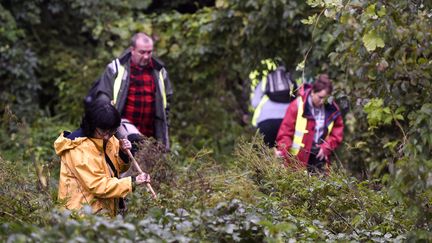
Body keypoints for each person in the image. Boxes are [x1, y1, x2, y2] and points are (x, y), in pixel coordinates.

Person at [54, 100, 151, 216]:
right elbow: (98, 185)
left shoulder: (107, 138)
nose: (107, 136)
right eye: (103, 131)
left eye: (112, 132)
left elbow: (116, 169)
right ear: (92, 125)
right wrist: (133, 182)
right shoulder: (78, 149)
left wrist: (123, 153)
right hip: (80, 217)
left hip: (102, 213)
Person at [87, 32, 173, 151]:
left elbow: (167, 99)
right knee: (128, 160)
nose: (146, 56)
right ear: (132, 49)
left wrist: (164, 122)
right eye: (142, 52)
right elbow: (103, 97)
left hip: (152, 132)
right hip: (123, 130)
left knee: (153, 165)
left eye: (149, 52)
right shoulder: (116, 68)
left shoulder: (159, 70)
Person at [276, 74, 344, 173]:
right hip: (297, 158)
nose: (322, 101)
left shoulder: (332, 108)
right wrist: (283, 153)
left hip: (320, 157)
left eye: (325, 98)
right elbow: (285, 133)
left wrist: (327, 146)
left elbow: (337, 132)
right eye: (320, 97)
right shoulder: (297, 106)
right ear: (312, 92)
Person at [250, 60, 297, 147]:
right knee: (286, 152)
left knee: (266, 153)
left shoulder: (266, 80)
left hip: (266, 122)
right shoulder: (290, 79)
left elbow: (254, 103)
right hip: (287, 121)